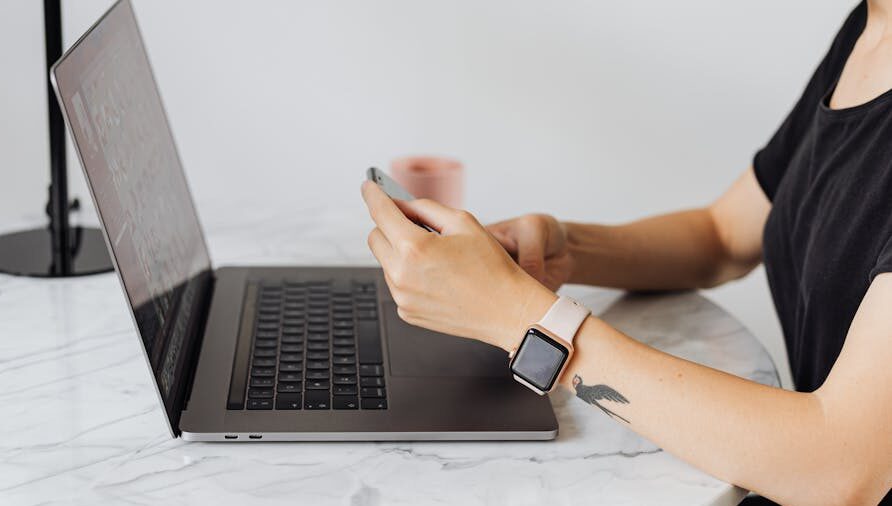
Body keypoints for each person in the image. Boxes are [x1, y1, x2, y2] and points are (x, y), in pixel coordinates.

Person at [361, 1, 892, 503]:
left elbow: (842, 467)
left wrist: (526, 321)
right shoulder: (870, 31)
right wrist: (566, 249)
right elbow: (723, 237)